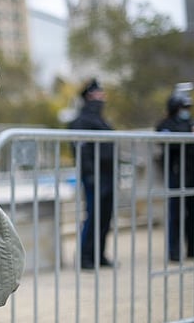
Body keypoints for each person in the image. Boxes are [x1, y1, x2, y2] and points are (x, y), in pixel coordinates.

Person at [68, 78, 115, 270]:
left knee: (105, 215)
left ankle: (99, 254)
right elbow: (81, 149)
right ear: (89, 96)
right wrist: (90, 173)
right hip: (93, 175)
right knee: (93, 215)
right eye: (98, 94)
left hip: (107, 172)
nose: (101, 97)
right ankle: (86, 257)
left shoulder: (101, 119)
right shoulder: (81, 120)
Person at [155, 88, 194, 262]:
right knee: (176, 215)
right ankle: (174, 251)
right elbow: (167, 144)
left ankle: (192, 248)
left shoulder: (190, 123)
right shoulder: (166, 125)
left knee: (192, 214)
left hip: (192, 173)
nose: (185, 112)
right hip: (176, 174)